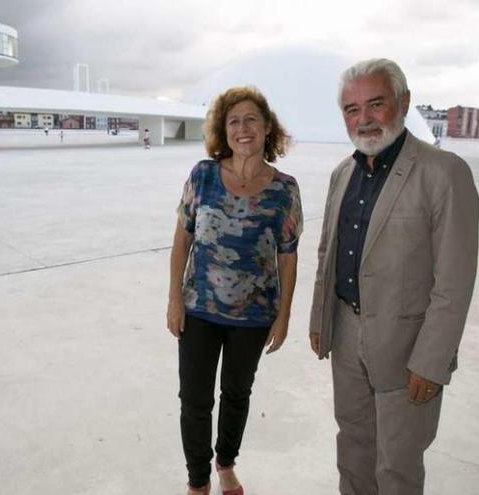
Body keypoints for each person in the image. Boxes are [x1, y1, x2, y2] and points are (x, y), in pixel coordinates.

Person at [308, 58, 479, 495]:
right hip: (346, 332)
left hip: (407, 347)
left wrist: (432, 360)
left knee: (398, 464)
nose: (363, 118)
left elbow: (455, 281)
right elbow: (328, 253)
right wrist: (319, 320)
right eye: (351, 109)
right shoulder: (341, 174)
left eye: (376, 103)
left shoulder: (444, 173)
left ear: (403, 102)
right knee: (352, 445)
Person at [167, 86, 302, 495]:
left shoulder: (285, 189)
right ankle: (198, 481)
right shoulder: (203, 175)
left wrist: (284, 314)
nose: (242, 129)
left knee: (237, 394)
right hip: (199, 309)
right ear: (223, 131)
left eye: (251, 120)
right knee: (194, 401)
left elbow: (288, 256)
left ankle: (225, 463)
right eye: (233, 121)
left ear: (266, 129)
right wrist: (174, 299)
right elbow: (181, 239)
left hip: (255, 315)